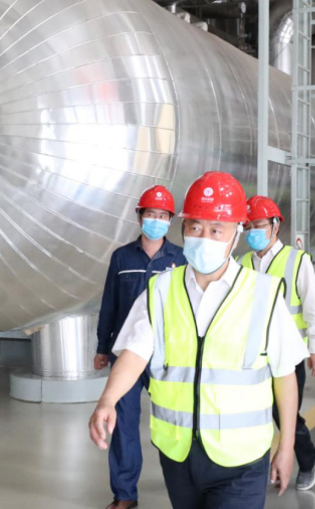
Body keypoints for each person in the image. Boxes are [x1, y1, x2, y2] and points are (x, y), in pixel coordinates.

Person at [89, 172, 309, 509]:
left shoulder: (263, 294)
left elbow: (284, 376)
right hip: (178, 454)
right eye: (195, 227)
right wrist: (108, 399)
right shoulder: (160, 290)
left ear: (236, 234)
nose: (204, 238)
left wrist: (287, 445)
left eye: (216, 230)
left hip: (241, 461)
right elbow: (134, 352)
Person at [94, 185, 186, 509]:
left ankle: (183, 487)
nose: (156, 220)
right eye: (151, 214)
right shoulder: (121, 257)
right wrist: (102, 347)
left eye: (162, 215)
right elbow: (109, 303)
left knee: (174, 422)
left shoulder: (181, 258)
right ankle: (124, 494)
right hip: (127, 355)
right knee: (123, 423)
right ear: (140, 217)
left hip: (166, 354)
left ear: (170, 220)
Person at [239, 195, 315, 491]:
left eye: (258, 225)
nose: (253, 231)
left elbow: (311, 306)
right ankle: (255, 467)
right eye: (248, 226)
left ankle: (308, 458)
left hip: (290, 353)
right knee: (254, 410)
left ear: (275, 226)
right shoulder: (242, 263)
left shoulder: (297, 260)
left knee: (283, 412)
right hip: (253, 353)